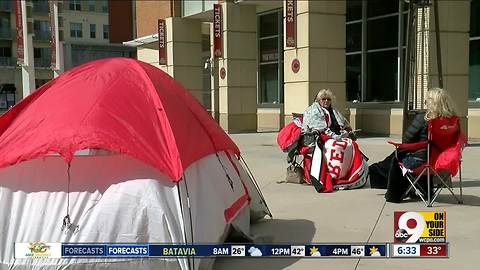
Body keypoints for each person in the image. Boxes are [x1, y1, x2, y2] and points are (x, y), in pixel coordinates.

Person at [369, 88, 458, 202]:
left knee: (397, 157)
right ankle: (423, 190)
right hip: (444, 160)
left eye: (426, 100)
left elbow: (406, 139)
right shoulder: (452, 121)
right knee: (417, 153)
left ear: (431, 102)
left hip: (422, 161)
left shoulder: (424, 118)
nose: (425, 103)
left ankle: (394, 195)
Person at [299, 89, 368, 192]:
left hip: (336, 135)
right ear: (319, 100)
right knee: (335, 146)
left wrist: (346, 132)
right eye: (323, 99)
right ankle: (334, 173)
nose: (326, 101)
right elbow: (317, 127)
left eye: (328, 99)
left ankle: (348, 173)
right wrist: (333, 135)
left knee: (351, 144)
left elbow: (343, 124)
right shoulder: (312, 110)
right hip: (320, 137)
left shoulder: (334, 111)